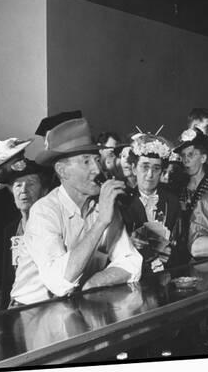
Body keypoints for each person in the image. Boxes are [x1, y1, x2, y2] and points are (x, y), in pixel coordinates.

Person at [8, 117, 142, 306]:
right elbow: (59, 283)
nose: (97, 169)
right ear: (62, 171)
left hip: (74, 305)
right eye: (86, 162)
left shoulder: (103, 205)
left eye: (97, 160)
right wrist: (101, 222)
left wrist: (97, 281)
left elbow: (131, 261)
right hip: (30, 312)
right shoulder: (44, 212)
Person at [0, 137, 49, 312]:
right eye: (17, 186)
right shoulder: (10, 230)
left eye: (31, 184)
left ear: (44, 189)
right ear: (11, 191)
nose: (24, 191)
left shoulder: (53, 225)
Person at [121, 133, 183, 273]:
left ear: (162, 171)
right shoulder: (123, 203)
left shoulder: (172, 202)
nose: (150, 175)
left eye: (156, 168)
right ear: (133, 168)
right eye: (145, 167)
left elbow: (181, 245)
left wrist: (169, 253)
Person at [174, 128, 208, 224]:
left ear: (203, 158)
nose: (186, 160)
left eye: (190, 155)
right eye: (183, 155)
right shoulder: (179, 188)